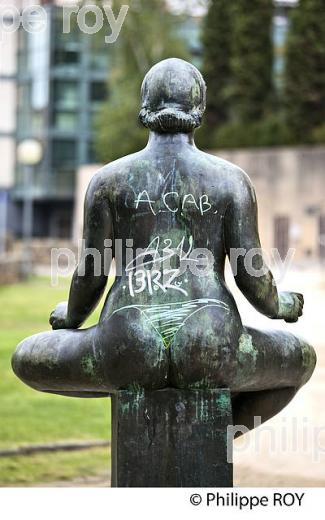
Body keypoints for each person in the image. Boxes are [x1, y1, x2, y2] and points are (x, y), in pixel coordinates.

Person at [12, 58, 316, 434]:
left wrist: (70, 317)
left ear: (144, 109)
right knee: (302, 358)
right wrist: (280, 306)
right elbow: (250, 273)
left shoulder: (108, 180)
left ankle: (169, 418)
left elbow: (91, 272)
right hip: (211, 337)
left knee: (25, 357)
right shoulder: (230, 181)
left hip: (127, 335)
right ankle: (217, 432)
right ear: (200, 108)